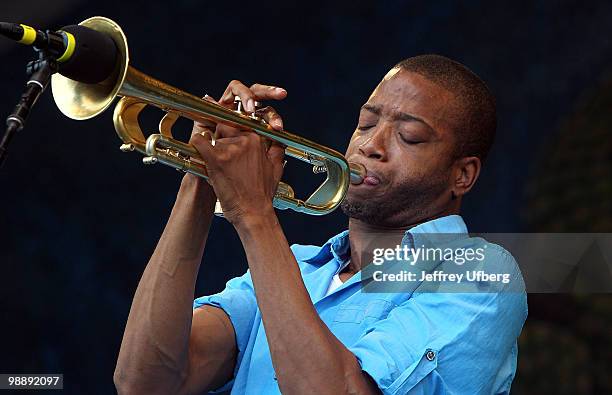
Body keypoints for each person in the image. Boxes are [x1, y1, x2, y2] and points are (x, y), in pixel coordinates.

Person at [113, 55, 527, 395]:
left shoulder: (480, 275)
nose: (370, 145)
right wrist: (202, 176)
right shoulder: (298, 267)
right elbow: (146, 381)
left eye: (410, 137)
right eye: (366, 124)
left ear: (463, 175)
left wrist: (254, 215)